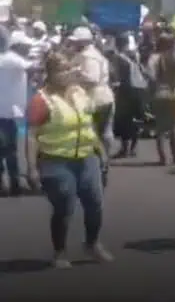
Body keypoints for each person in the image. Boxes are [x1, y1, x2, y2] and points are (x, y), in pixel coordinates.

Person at [26, 52, 112, 268]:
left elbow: (88, 124)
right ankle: (60, 251)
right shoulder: (41, 100)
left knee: (95, 203)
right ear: (50, 73)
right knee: (64, 206)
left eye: (68, 69)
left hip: (87, 157)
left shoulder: (79, 93)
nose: (67, 74)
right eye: (61, 70)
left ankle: (92, 244)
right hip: (56, 160)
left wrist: (100, 150)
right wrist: (32, 168)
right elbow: (31, 135)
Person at [70, 26, 115, 154]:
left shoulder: (88, 56)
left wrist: (76, 73)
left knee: (95, 133)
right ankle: (104, 158)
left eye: (76, 42)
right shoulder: (93, 54)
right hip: (103, 96)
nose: (73, 44)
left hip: (96, 97)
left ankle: (100, 159)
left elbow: (92, 78)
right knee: (104, 132)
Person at [0, 26, 33, 195]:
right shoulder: (13, 60)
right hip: (9, 113)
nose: (28, 49)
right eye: (25, 46)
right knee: (11, 150)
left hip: (6, 112)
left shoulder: (7, 59)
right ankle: (14, 183)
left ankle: (5, 183)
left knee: (4, 149)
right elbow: (35, 67)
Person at [147, 31, 175, 165]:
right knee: (174, 126)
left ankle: (163, 158)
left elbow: (151, 76)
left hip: (160, 93)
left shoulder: (154, 58)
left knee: (160, 127)